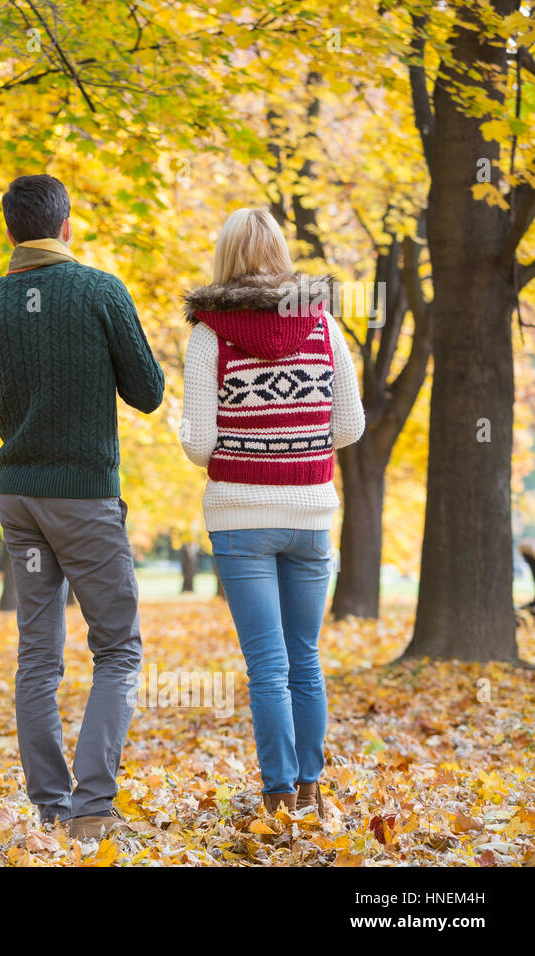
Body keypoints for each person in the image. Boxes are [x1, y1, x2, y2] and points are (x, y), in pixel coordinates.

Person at [0, 174, 165, 840]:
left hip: (20, 504)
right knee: (117, 650)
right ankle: (92, 807)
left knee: (38, 655)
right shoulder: (100, 292)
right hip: (85, 502)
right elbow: (147, 392)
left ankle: (49, 806)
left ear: (9, 232)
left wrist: (16, 393)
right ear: (67, 226)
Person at [178, 207, 365, 817]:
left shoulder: (207, 335)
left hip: (239, 516)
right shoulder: (323, 328)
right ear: (282, 255)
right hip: (310, 513)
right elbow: (351, 425)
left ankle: (278, 793)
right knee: (305, 657)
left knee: (267, 665)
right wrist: (297, 444)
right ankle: (312, 786)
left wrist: (249, 438)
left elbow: (197, 444)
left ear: (225, 258)